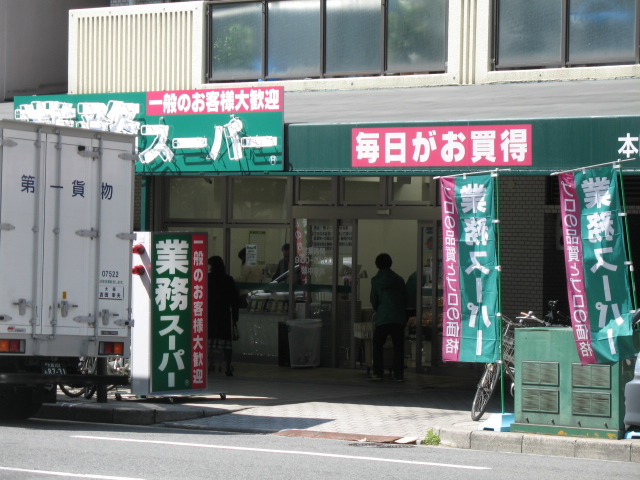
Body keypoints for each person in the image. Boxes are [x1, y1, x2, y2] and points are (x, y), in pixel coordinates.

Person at [369, 253, 408, 382]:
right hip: (398, 317)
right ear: (390, 263)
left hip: (383, 318)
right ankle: (398, 375)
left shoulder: (376, 280)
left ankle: (378, 372)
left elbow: (373, 299)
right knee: (398, 346)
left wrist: (379, 309)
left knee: (378, 344)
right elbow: (405, 298)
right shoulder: (399, 279)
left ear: (377, 265)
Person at [208, 256, 240, 376]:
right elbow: (234, 300)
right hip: (224, 314)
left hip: (209, 314)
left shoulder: (207, 278)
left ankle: (207, 364)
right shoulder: (228, 279)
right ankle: (227, 366)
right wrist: (235, 318)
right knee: (226, 342)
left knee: (208, 340)